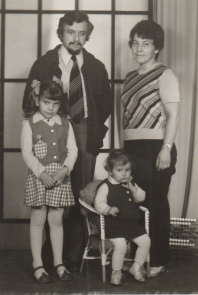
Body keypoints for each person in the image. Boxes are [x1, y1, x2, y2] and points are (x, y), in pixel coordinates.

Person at [22, 11, 113, 270]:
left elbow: (105, 104)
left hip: (83, 129)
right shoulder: (44, 64)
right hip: (52, 130)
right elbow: (28, 103)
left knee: (79, 194)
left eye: (82, 33)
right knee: (50, 193)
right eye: (70, 32)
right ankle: (47, 258)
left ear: (88, 36)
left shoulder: (95, 66)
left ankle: (71, 257)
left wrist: (90, 126)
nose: (76, 38)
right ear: (60, 33)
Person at [121, 20, 180, 276]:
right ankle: (139, 258)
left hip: (157, 147)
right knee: (135, 203)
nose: (139, 48)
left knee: (155, 203)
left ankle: (157, 258)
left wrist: (166, 147)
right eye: (135, 43)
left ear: (156, 48)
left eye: (145, 43)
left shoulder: (165, 74)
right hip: (132, 148)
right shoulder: (130, 77)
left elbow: (173, 115)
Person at [21, 80, 78, 283]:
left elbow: (73, 151)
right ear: (37, 100)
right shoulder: (29, 124)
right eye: (46, 103)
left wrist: (65, 170)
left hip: (60, 177)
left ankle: (58, 263)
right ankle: (38, 264)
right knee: (38, 221)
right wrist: (41, 173)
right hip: (39, 177)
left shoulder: (66, 124)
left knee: (56, 221)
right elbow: (27, 153)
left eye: (55, 103)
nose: (51, 108)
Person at [94, 150, 151, 285]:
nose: (124, 174)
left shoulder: (130, 184)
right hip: (114, 224)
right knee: (121, 246)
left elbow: (141, 198)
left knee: (146, 241)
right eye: (119, 170)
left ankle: (136, 266)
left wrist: (133, 189)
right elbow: (98, 203)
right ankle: (116, 271)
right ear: (110, 171)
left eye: (127, 170)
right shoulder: (106, 186)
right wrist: (108, 209)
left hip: (131, 224)